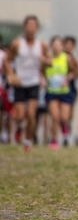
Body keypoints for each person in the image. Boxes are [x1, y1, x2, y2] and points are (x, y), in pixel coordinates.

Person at [3, 15, 51, 152]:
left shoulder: (42, 45)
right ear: (24, 27)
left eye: (33, 26)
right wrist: (11, 74)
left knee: (31, 114)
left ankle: (28, 140)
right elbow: (6, 60)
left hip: (34, 82)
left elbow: (50, 62)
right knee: (19, 116)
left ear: (37, 28)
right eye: (28, 25)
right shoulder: (17, 44)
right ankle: (20, 126)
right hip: (19, 83)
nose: (31, 28)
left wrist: (45, 63)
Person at [44, 36, 77, 149]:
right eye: (54, 44)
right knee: (55, 117)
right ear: (51, 46)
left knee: (64, 117)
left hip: (64, 91)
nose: (56, 47)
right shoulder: (47, 59)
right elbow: (41, 72)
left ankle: (65, 132)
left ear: (62, 47)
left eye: (59, 45)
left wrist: (67, 79)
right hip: (52, 91)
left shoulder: (67, 58)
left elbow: (73, 71)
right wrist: (43, 80)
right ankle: (54, 139)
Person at [63, 35, 78, 146]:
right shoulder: (58, 57)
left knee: (70, 113)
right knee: (61, 114)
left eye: (71, 45)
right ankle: (64, 133)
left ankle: (67, 131)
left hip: (71, 88)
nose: (69, 47)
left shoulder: (75, 60)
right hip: (59, 89)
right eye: (67, 44)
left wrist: (73, 74)